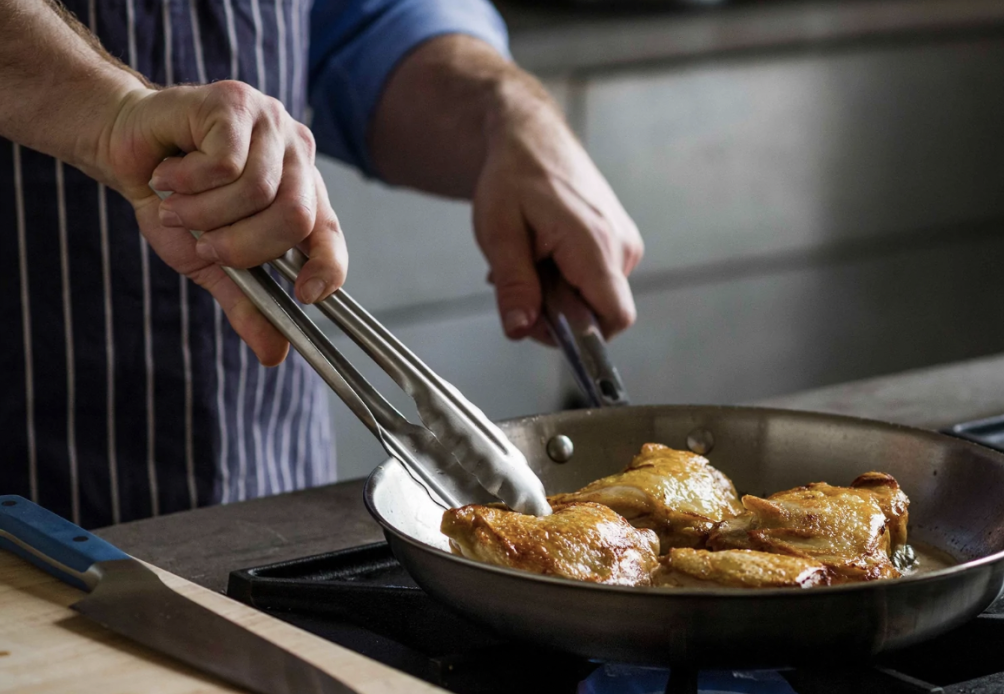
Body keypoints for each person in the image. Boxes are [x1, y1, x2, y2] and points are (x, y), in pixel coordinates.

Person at [0, 0, 644, 528]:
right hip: (26, 484)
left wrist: (508, 117)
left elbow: (367, 25)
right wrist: (110, 114)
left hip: (269, 486)